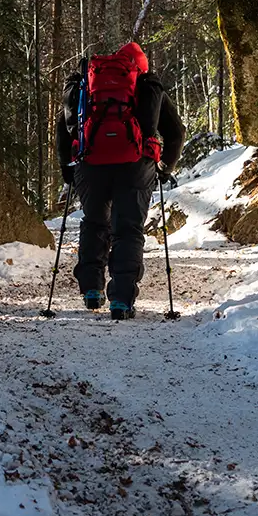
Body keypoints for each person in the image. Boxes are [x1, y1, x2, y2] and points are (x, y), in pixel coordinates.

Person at [56, 41, 185, 320]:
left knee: (94, 222)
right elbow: (175, 133)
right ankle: (122, 300)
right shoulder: (148, 85)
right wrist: (164, 167)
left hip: (90, 164)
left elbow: (65, 130)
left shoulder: (89, 86)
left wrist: (68, 170)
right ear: (140, 65)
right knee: (127, 230)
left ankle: (91, 289)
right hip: (135, 166)